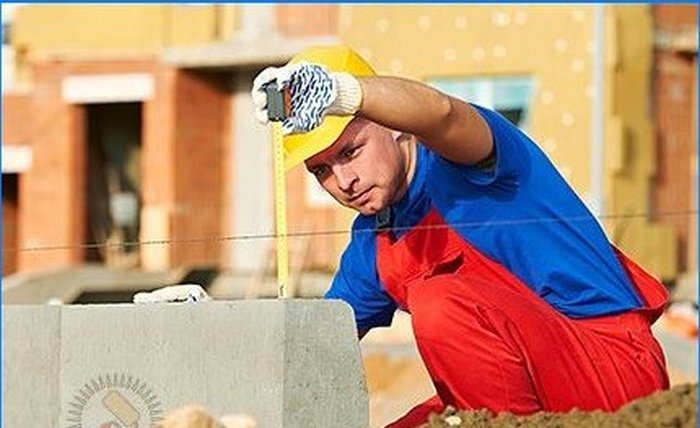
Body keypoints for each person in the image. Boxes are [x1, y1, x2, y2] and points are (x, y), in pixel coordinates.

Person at [252, 45, 669, 428]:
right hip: (522, 392)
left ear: (395, 126)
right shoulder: (373, 243)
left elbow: (441, 114)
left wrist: (344, 94)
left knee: (440, 303)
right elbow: (313, 341)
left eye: (350, 152)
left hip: (610, 370)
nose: (343, 181)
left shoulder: (475, 163)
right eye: (321, 170)